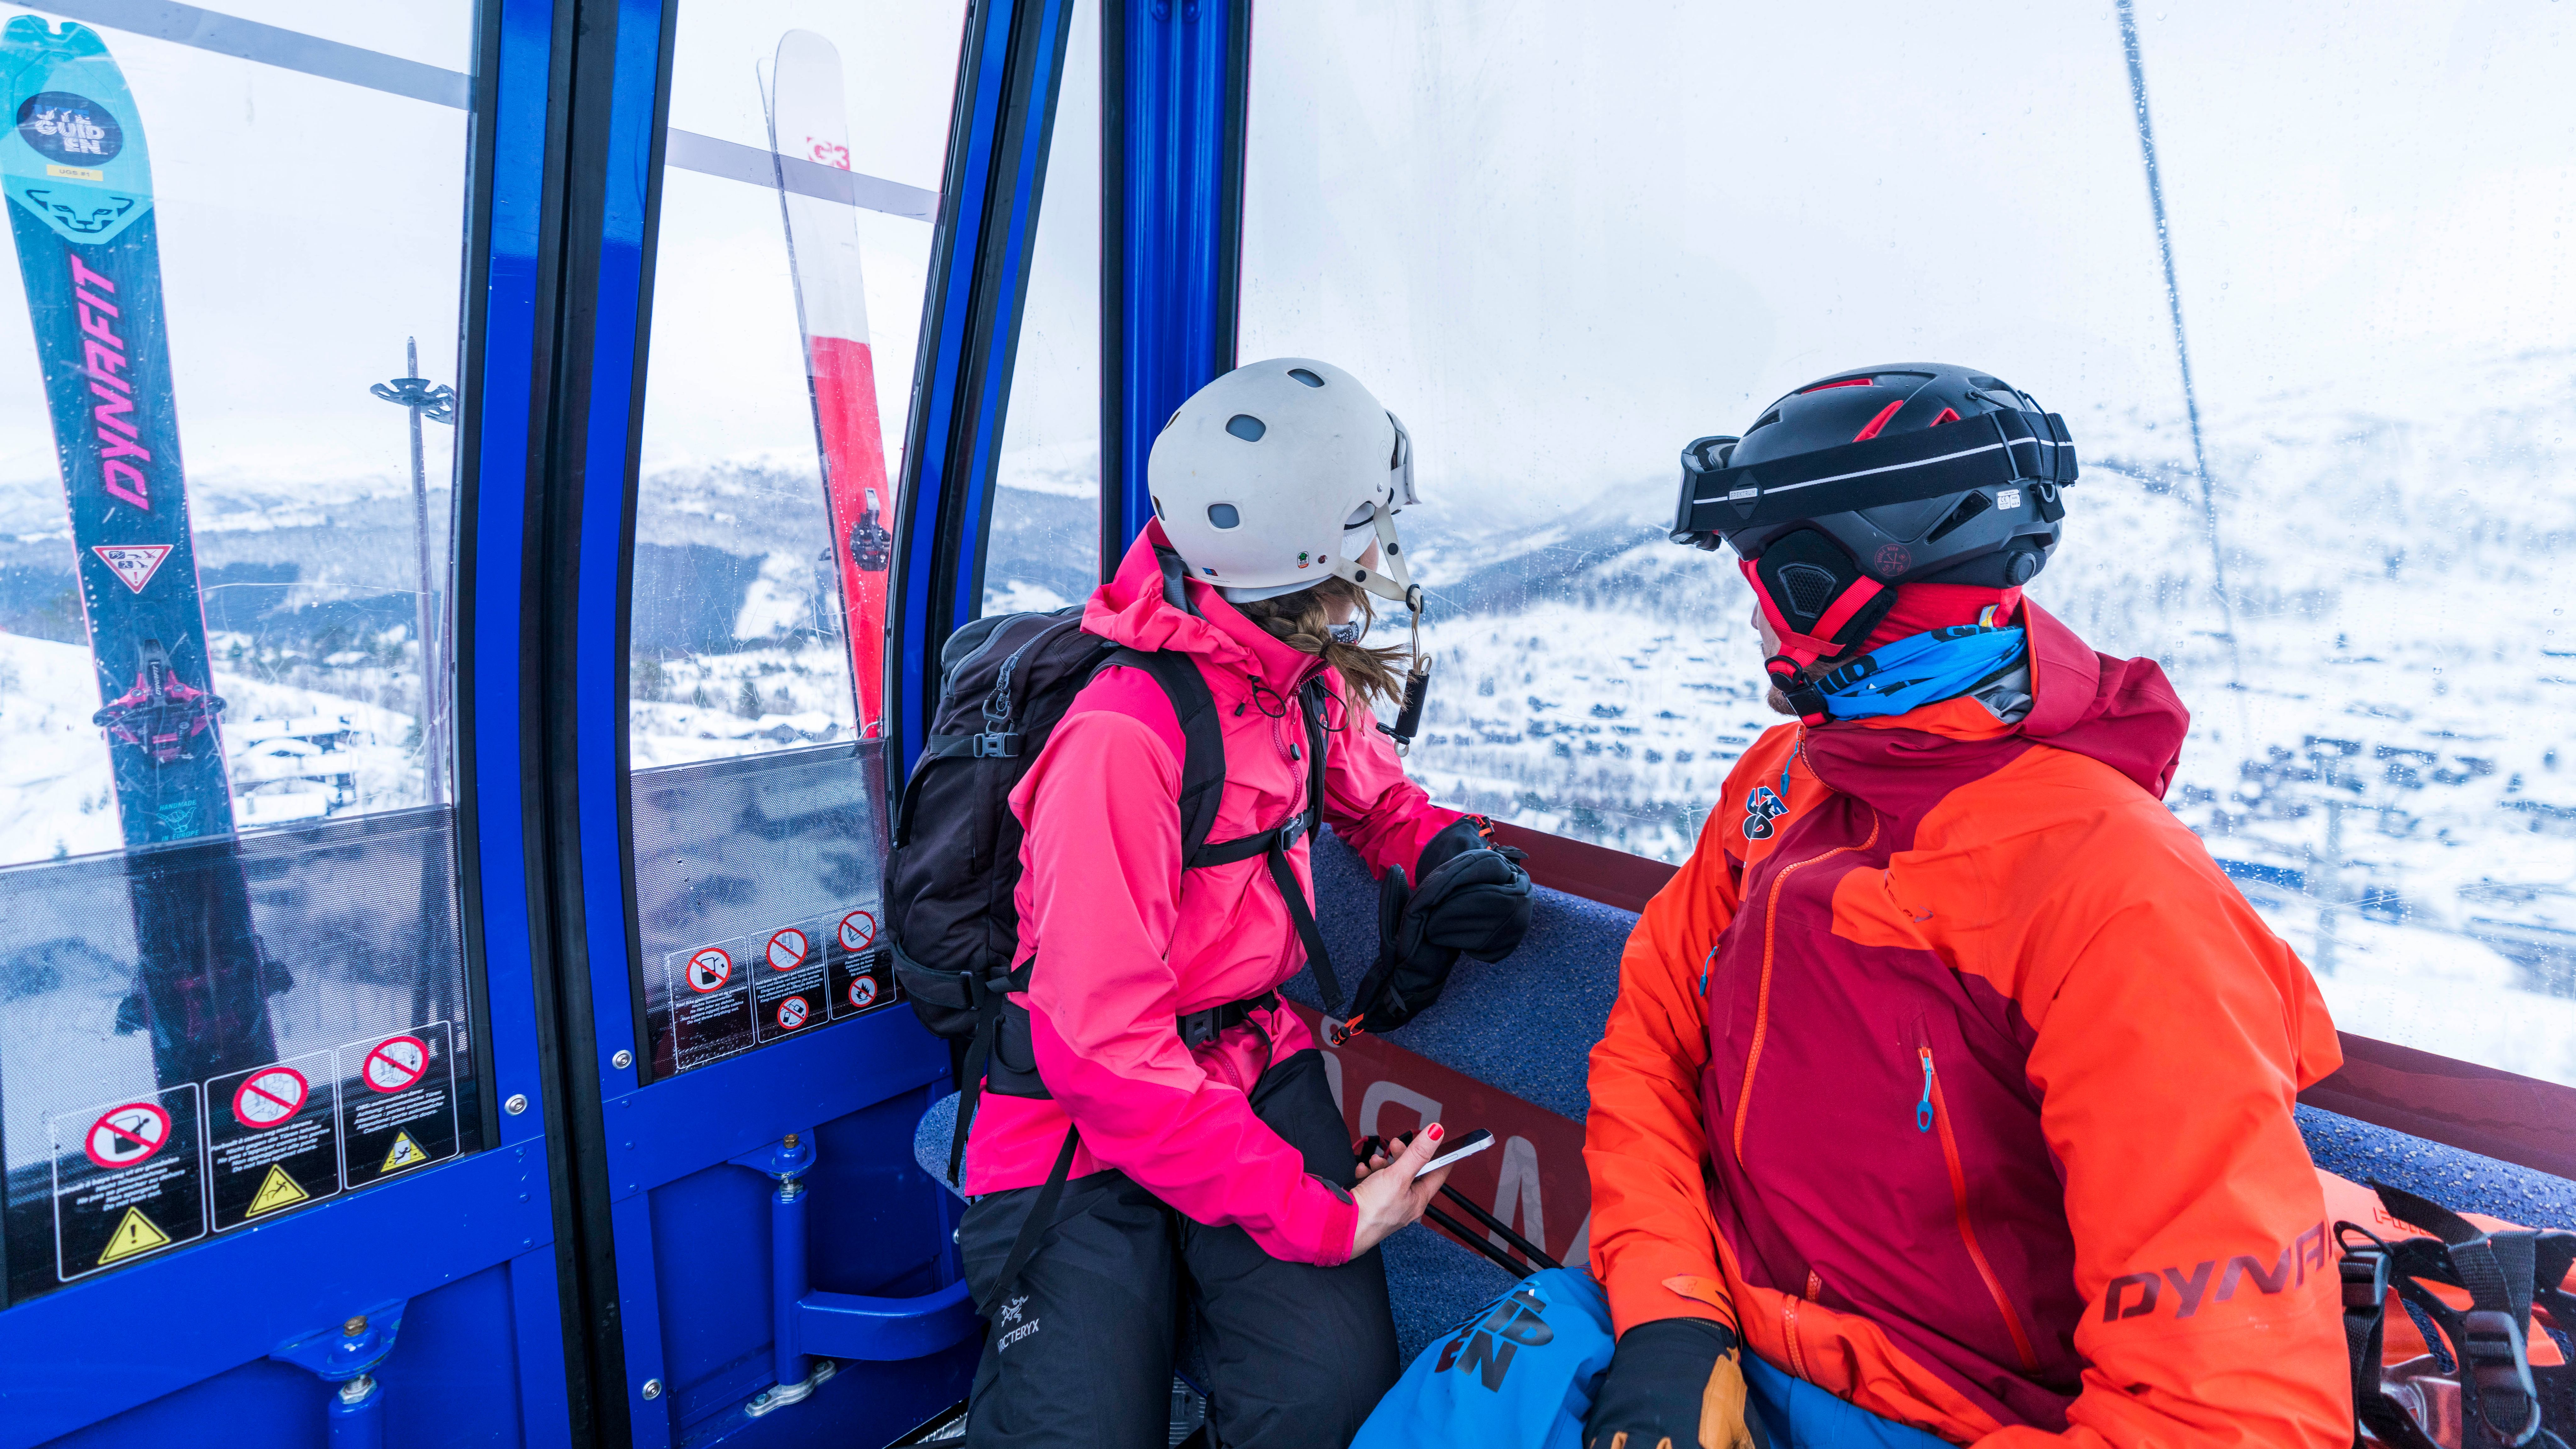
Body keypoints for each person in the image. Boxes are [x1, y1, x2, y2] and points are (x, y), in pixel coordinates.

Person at [1581, 365, 2353, 1448]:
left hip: (1944, 1415)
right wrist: (1671, 1319)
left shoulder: (2115, 892)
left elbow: (2225, 1415)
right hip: (1715, 1322)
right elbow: (1647, 1043)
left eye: (1761, 580)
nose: (1751, 619)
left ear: (1825, 590)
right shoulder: (1786, 779)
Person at [957, 358, 1533, 1449]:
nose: (1380, 554)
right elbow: (1101, 1049)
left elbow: (1371, 790)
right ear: (1320, 555)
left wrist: (1438, 852)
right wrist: (1324, 1218)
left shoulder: (1291, 681)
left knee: (1324, 1401)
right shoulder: (1122, 742)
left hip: (1248, 1068)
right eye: (1371, 530)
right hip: (1079, 1117)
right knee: (1077, 1434)